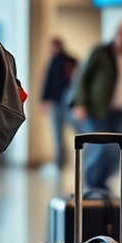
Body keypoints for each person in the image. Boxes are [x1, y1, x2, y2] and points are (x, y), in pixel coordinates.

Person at [72, 21, 122, 191]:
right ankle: (92, 179)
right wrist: (81, 103)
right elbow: (83, 78)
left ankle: (99, 180)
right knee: (103, 149)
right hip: (100, 110)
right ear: (116, 35)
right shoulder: (101, 53)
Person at [41, 37, 77, 169]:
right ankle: (60, 163)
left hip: (68, 104)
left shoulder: (70, 61)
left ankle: (67, 161)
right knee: (57, 135)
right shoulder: (53, 61)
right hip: (56, 104)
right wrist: (45, 101)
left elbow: (76, 80)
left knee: (77, 130)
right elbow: (48, 83)